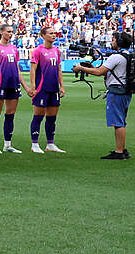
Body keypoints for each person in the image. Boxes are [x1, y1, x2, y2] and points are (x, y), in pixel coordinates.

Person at [73, 31, 133, 159]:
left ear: (119, 42)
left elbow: (99, 72)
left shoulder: (116, 57)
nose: (112, 42)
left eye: (113, 39)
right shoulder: (128, 55)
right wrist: (90, 67)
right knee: (121, 121)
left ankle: (119, 152)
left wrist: (81, 68)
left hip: (117, 92)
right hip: (125, 91)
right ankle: (122, 149)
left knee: (118, 122)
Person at [25, 25, 66, 154]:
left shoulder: (57, 51)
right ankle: (35, 144)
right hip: (41, 89)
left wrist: (62, 86)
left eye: (54, 33)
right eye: (50, 33)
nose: (53, 35)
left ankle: (50, 143)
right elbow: (33, 69)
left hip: (54, 89)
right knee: (38, 116)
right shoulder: (38, 51)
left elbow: (59, 69)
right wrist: (33, 86)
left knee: (52, 117)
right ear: (43, 36)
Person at [0, 24, 24, 154]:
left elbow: (18, 69)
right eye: (8, 31)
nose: (10, 33)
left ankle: (7, 144)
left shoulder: (14, 48)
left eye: (11, 31)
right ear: (1, 32)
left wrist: (25, 86)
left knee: (10, 115)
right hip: (0, 84)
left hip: (13, 84)